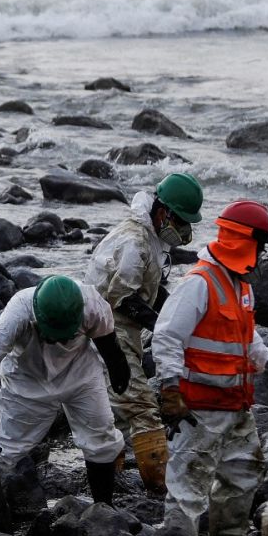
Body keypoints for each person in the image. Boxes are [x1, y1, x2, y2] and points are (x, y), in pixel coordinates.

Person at [151, 199, 268, 536]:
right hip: (198, 408)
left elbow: (249, 338)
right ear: (244, 242)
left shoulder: (241, 287)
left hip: (236, 407)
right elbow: (167, 337)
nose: (262, 255)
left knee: (242, 475)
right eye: (260, 247)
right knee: (188, 484)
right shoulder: (199, 283)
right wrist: (170, 390)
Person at [0, 275, 133, 505]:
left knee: (101, 437)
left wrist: (119, 370)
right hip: (27, 379)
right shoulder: (19, 309)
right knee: (7, 449)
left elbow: (108, 342)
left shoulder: (92, 303)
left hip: (80, 374)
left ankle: (103, 507)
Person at [85, 171, 203, 494]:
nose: (183, 231)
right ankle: (159, 483)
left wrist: (175, 312)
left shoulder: (152, 238)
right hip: (110, 330)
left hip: (121, 330)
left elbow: (149, 291)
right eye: (180, 223)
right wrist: (162, 328)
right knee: (140, 404)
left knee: (115, 406)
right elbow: (122, 297)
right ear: (163, 212)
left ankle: (112, 470)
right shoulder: (135, 242)